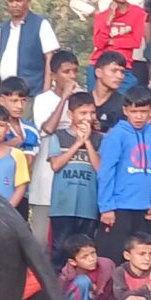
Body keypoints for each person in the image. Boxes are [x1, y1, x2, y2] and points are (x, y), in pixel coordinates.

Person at [96, 87, 151, 259]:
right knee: (114, 255)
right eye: (134, 111)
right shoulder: (116, 135)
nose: (139, 116)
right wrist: (106, 207)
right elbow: (106, 172)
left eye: (143, 111)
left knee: (138, 255)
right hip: (119, 205)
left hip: (143, 206)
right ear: (125, 110)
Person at [37, 95, 102, 242]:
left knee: (85, 247)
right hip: (62, 206)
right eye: (83, 113)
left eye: (92, 113)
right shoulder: (58, 136)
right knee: (60, 248)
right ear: (71, 114)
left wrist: (88, 142)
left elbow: (99, 168)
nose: (88, 117)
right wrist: (78, 143)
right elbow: (56, 165)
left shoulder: (99, 138)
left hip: (88, 207)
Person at [0, 0, 61, 93]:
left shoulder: (41, 25)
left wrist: (45, 92)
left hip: (32, 94)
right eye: (11, 1)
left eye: (19, 1)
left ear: (28, 1)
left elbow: (50, 59)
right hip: (6, 95)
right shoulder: (3, 29)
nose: (14, 5)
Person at [89, 0, 149, 69]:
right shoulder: (101, 16)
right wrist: (109, 20)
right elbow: (99, 43)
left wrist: (110, 41)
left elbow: (135, 42)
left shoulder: (138, 13)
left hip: (123, 65)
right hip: (99, 64)